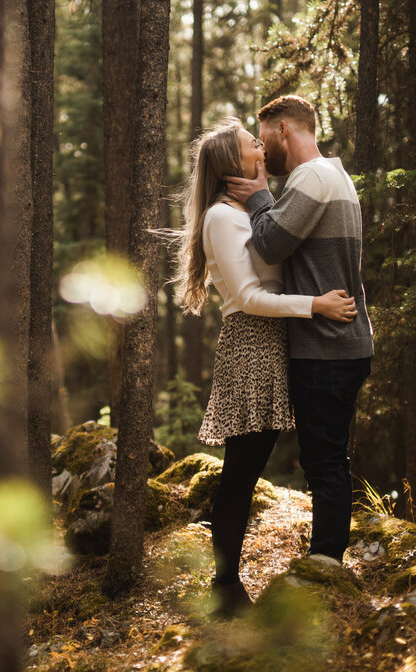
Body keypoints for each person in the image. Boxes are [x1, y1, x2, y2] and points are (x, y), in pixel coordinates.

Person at [170, 116, 357, 618]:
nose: (262, 145)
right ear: (236, 162)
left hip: (274, 347)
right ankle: (225, 587)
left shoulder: (248, 212)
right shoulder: (221, 219)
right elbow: (250, 298)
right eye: (253, 142)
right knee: (241, 472)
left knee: (247, 469)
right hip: (251, 348)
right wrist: (315, 305)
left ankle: (227, 584)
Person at [223, 94, 374, 572]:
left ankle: (325, 564)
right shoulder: (336, 176)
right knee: (328, 457)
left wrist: (258, 196)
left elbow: (270, 245)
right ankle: (326, 557)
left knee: (325, 462)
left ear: (284, 129)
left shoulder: (312, 177)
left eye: (264, 138)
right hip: (342, 343)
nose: (263, 152)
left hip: (326, 348)